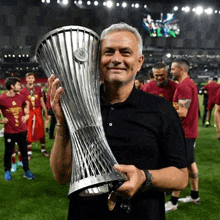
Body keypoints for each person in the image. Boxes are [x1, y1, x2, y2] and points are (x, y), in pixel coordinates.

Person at [49, 23, 188, 220]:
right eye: (108, 52)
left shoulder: (161, 109)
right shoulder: (78, 106)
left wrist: (145, 177)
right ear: (98, 61)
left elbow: (181, 177)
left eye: (125, 52)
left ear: (139, 62)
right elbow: (61, 176)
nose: (116, 59)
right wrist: (62, 123)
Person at [165, 58, 200, 212]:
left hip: (184, 133)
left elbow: (183, 112)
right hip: (189, 132)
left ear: (181, 69)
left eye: (173, 69)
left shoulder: (185, 86)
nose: (171, 72)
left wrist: (164, 112)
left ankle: (173, 202)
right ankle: (194, 196)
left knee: (180, 167)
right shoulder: (188, 84)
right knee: (191, 165)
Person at [0, 77, 35, 181]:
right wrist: (1, 120)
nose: (20, 86)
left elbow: (26, 104)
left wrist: (27, 115)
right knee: (8, 152)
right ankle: (7, 171)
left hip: (22, 130)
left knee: (24, 152)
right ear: (12, 86)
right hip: (9, 131)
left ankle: (26, 171)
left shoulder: (21, 96)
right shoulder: (2, 98)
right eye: (18, 85)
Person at [20, 73, 50, 160]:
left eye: (32, 78)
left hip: (37, 112)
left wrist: (45, 111)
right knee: (28, 131)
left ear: (34, 79)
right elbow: (22, 104)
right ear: (26, 79)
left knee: (41, 130)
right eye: (28, 78)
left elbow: (41, 101)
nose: (30, 79)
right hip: (28, 112)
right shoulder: (23, 91)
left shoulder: (38, 89)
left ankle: (43, 150)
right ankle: (29, 152)